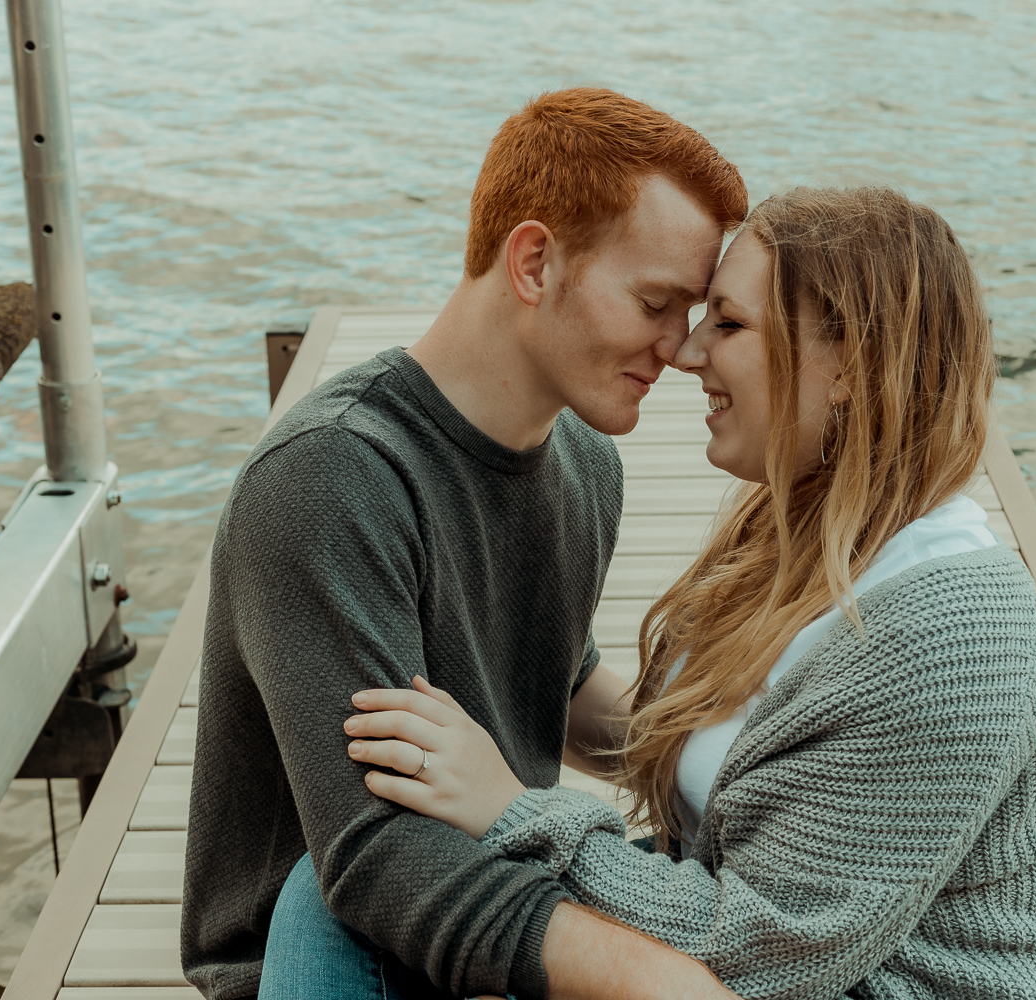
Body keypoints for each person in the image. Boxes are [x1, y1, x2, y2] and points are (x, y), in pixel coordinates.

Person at [326, 187, 1036, 999]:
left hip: (799, 970)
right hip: (754, 946)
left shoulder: (951, 638)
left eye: (727, 324)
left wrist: (509, 810)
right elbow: (689, 749)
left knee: (363, 903)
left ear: (848, 366)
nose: (686, 351)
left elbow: (763, 949)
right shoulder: (794, 532)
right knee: (347, 895)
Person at [181, 88, 748, 1000]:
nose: (679, 349)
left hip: (495, 907)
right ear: (534, 262)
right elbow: (375, 856)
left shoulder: (585, 462)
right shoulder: (330, 477)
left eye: (691, 312)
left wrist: (737, 757)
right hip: (341, 952)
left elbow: (554, 687)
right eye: (656, 302)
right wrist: (661, 978)